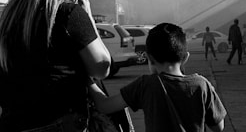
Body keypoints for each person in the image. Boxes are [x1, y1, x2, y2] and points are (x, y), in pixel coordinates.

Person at [0, 0, 111, 132]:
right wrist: (88, 17)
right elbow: (102, 67)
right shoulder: (69, 14)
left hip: (14, 123)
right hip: (60, 121)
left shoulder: (11, 15)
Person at [89, 23, 227, 132]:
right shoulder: (202, 85)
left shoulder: (146, 85)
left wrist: (87, 80)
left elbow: (104, 106)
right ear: (185, 58)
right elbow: (218, 127)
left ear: (149, 58)